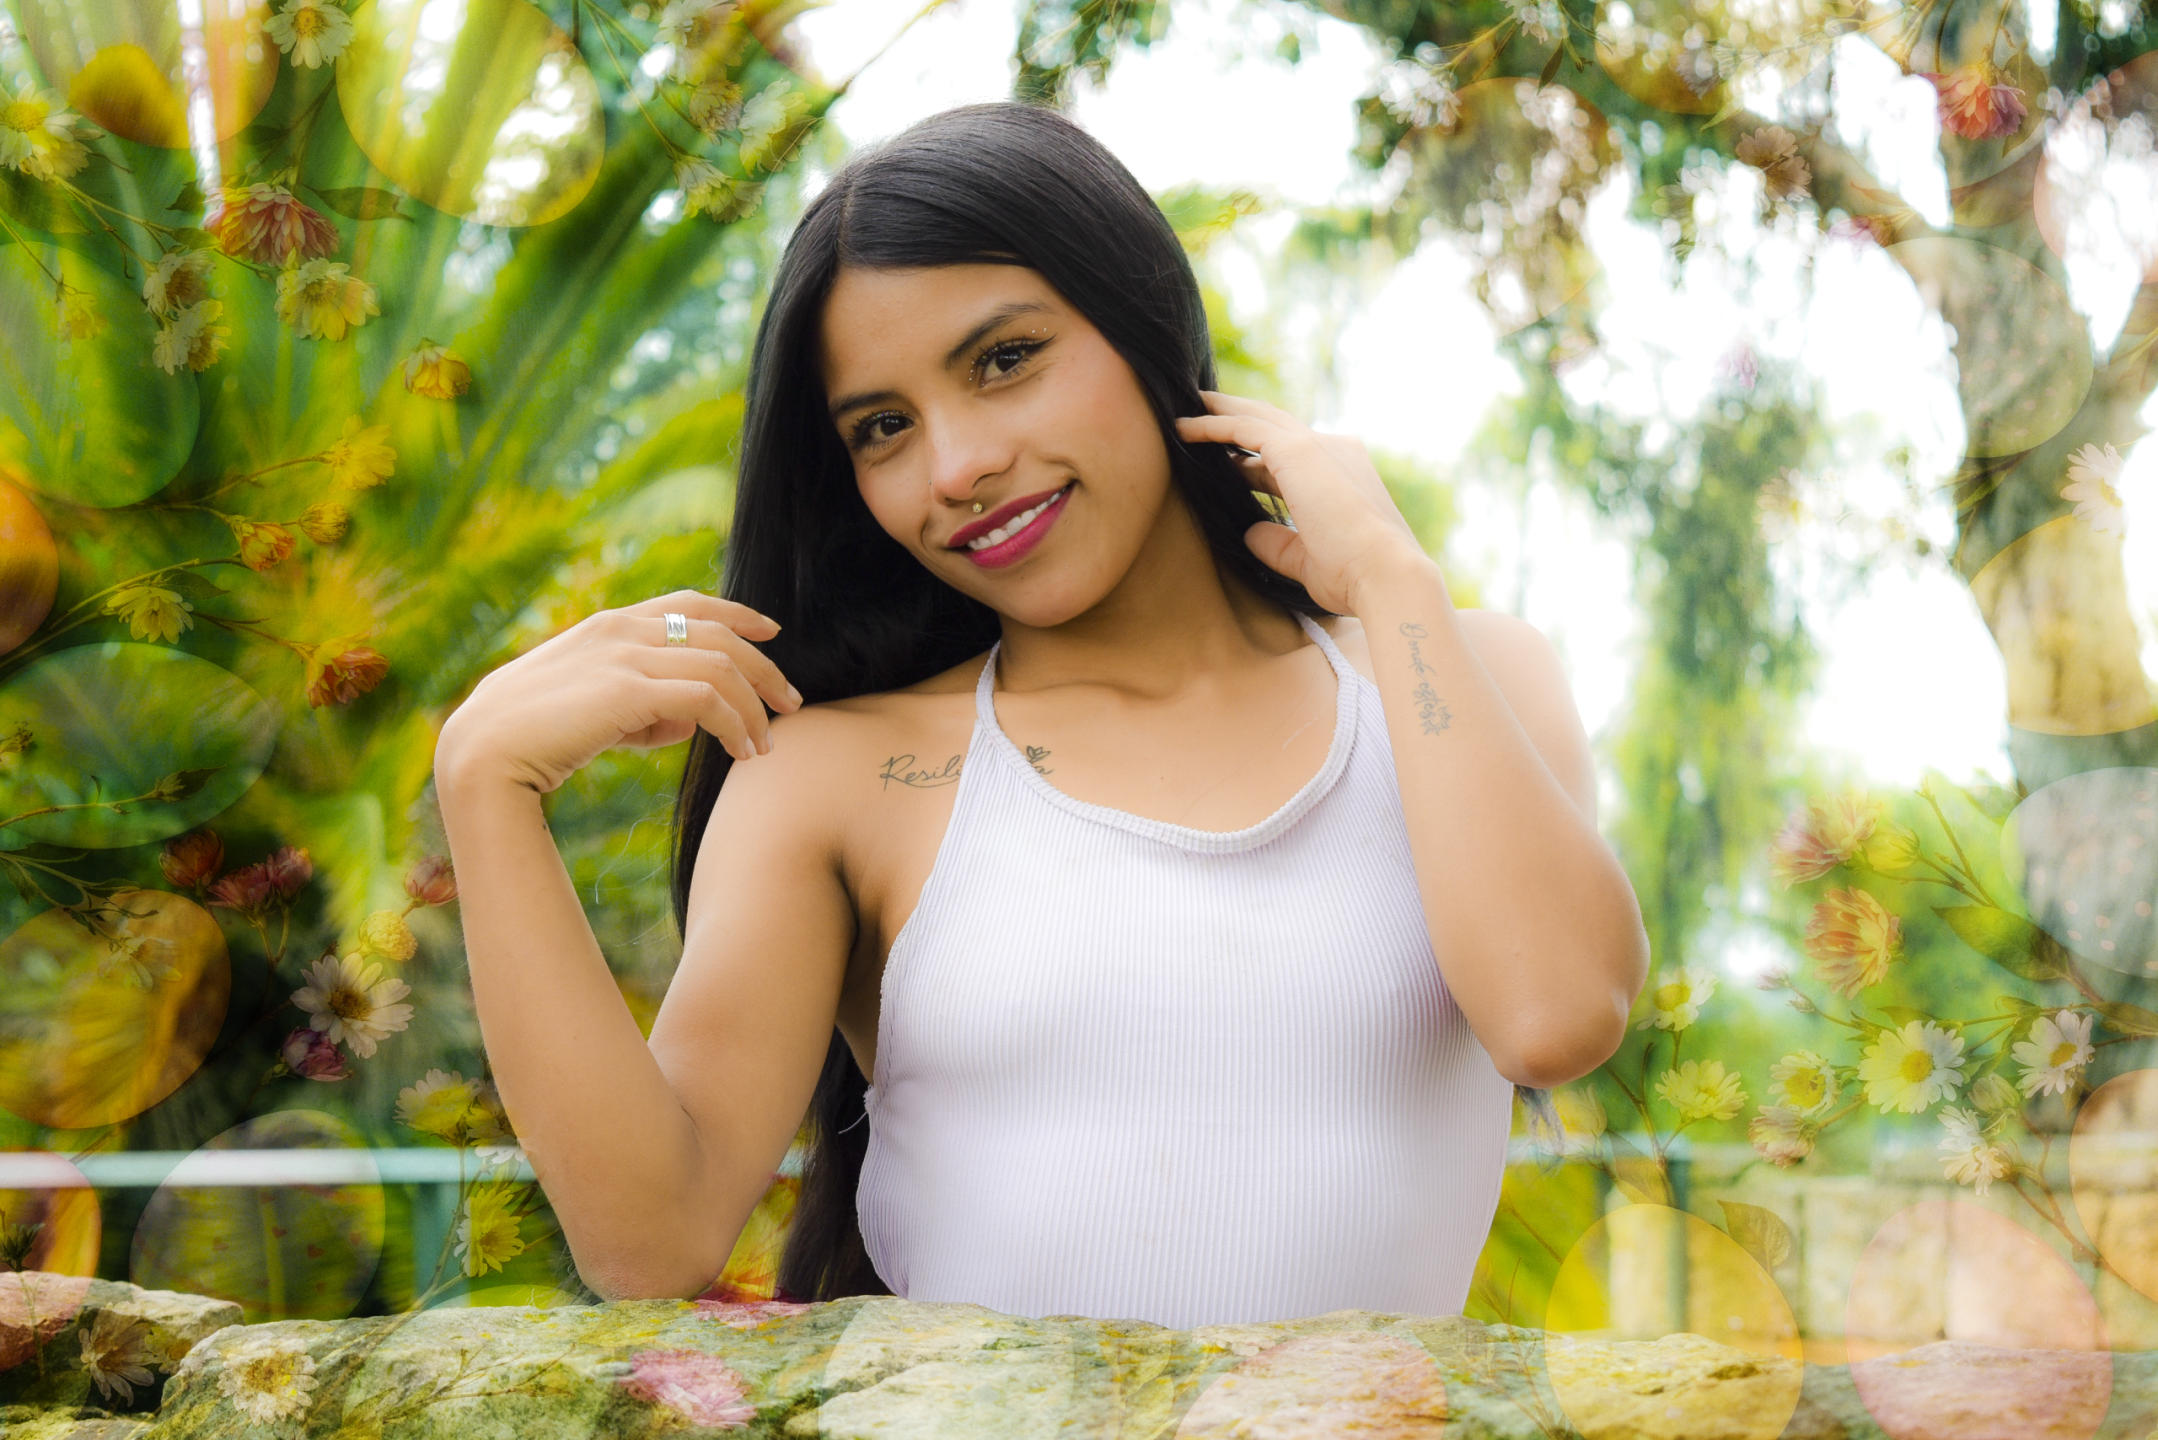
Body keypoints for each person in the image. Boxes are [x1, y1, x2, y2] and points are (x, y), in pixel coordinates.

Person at [434, 99, 1648, 1328]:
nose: (956, 465)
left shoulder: (1457, 681)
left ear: (1146, 324)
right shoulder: (832, 776)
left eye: (1004, 360)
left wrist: (1389, 577)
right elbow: (650, 1238)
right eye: (884, 428)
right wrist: (483, 782)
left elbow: (1553, 1017)